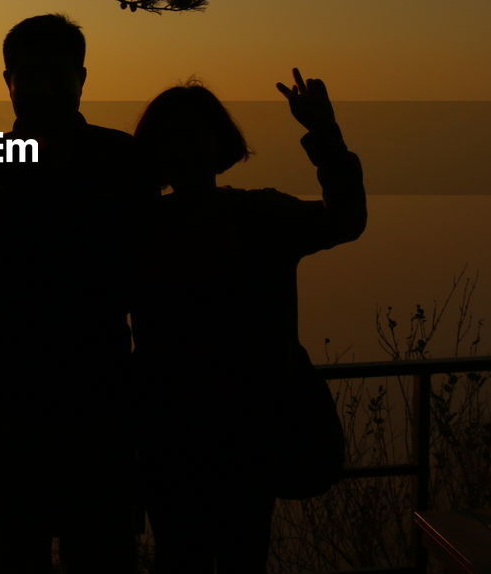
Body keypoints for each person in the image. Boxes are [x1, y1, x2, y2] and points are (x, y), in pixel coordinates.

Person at [129, 71, 366, 573]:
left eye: (191, 137)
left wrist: (325, 131)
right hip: (235, 433)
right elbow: (345, 219)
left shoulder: (145, 228)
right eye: (176, 140)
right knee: (232, 554)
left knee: (190, 555)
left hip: (186, 435)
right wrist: (324, 133)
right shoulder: (258, 216)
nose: (185, 151)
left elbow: (345, 221)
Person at [0, 13, 151, 574]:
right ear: (7, 79)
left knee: (79, 552)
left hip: (55, 386)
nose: (37, 90)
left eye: (51, 76)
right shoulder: (117, 158)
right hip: (64, 385)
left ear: (80, 78)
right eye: (28, 77)